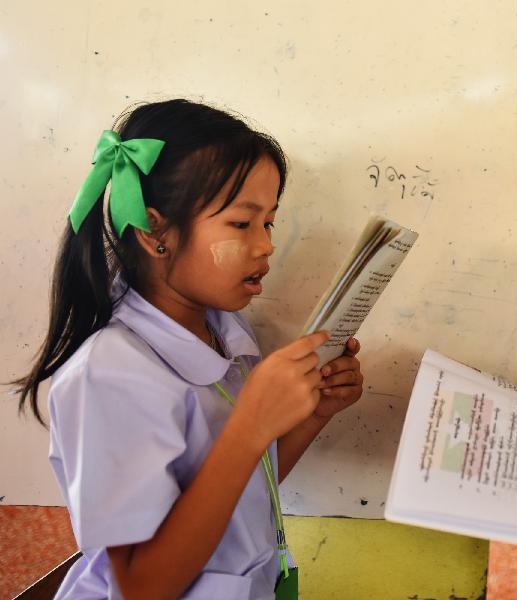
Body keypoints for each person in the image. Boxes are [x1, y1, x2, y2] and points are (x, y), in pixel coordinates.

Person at [14, 99, 365, 599]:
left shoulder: (226, 333)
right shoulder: (111, 373)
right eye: (242, 224)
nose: (266, 245)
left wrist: (312, 414)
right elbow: (141, 586)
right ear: (154, 231)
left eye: (269, 222)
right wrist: (251, 426)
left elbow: (242, 485)